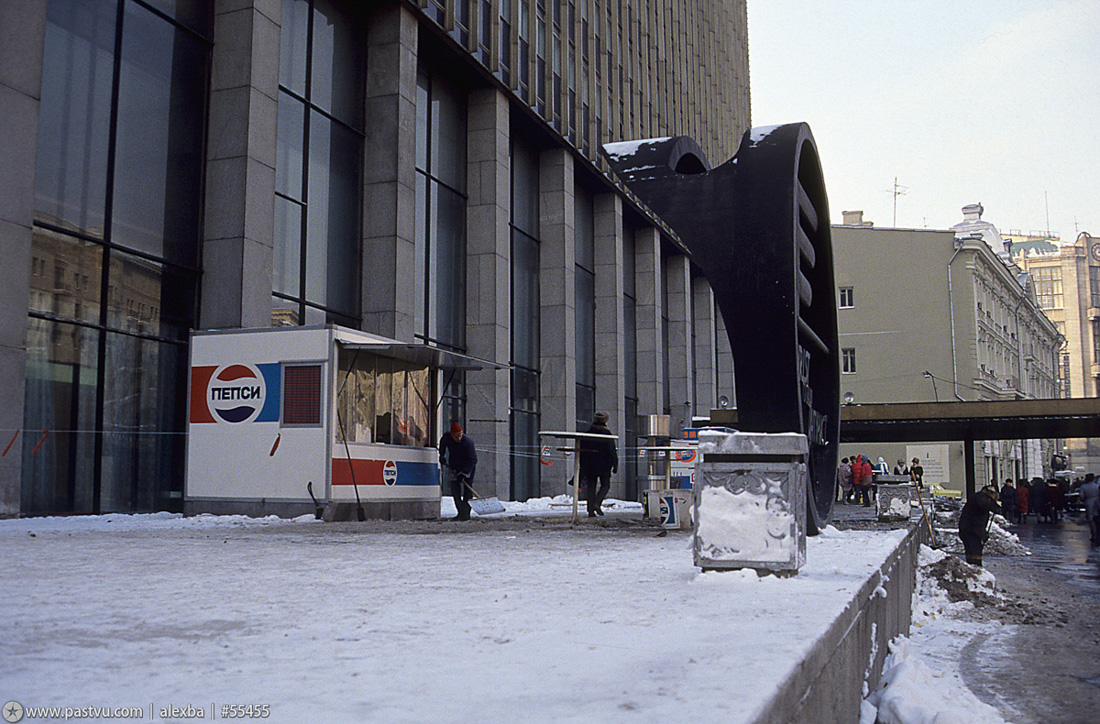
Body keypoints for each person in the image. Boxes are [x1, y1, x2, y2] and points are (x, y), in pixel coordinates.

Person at [578, 412, 618, 517]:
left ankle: (590, 511)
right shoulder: (607, 435)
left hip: (589, 465)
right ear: (606, 421)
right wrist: (615, 464)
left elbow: (582, 451)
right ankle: (597, 502)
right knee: (605, 485)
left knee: (591, 486)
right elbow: (612, 451)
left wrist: (583, 465)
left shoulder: (588, 434)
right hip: (604, 465)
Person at [439, 421, 477, 521]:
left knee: (467, 489)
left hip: (467, 466)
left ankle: (466, 513)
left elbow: (473, 460)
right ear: (451, 435)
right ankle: (460, 512)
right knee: (455, 489)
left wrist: (464, 473)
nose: (458, 438)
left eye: (460, 435)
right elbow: (442, 443)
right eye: (456, 436)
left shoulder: (468, 442)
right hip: (454, 466)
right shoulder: (447, 437)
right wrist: (442, 455)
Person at [958, 484, 1002, 567]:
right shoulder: (980, 497)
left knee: (972, 552)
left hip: (969, 529)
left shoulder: (979, 497)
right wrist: (993, 506)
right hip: (971, 530)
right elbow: (983, 504)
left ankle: (972, 567)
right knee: (975, 552)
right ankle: (975, 568)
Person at [1079, 473, 1100, 545]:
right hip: (1097, 501)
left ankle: (1094, 535)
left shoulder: (1084, 486)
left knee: (1091, 520)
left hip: (1089, 502)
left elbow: (1081, 496)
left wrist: (1083, 500)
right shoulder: (1097, 486)